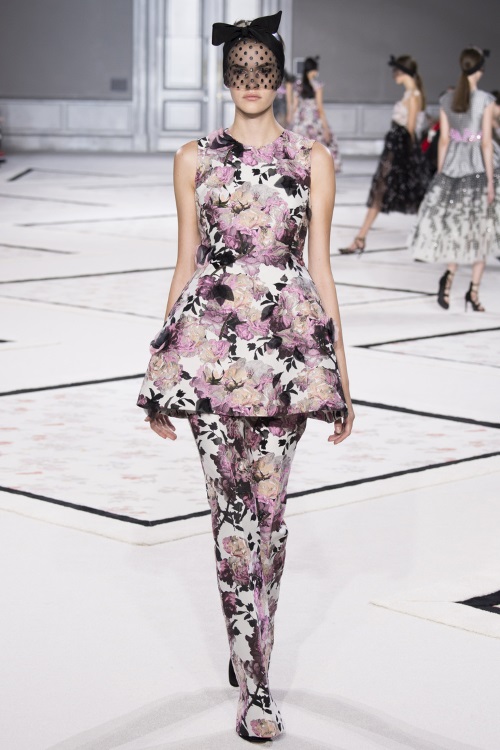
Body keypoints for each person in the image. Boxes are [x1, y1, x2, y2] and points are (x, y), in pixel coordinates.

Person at [136, 10, 354, 744]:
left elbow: (320, 268)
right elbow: (186, 263)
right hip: (207, 358)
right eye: (240, 71)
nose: (251, 83)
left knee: (269, 521)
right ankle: (256, 685)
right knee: (232, 522)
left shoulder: (312, 159)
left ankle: (249, 638)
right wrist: (160, 370)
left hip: (287, 358)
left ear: (280, 78)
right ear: (226, 78)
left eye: (263, 71)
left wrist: (341, 377)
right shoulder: (193, 158)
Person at [410, 48, 499, 311]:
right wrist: (491, 182)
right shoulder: (485, 100)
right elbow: (486, 144)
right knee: (481, 231)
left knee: (458, 229)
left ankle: (448, 280)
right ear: (480, 70)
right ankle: (473, 292)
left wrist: (441, 172)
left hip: (452, 169)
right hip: (478, 170)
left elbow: (444, 140)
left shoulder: (447, 99)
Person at [339, 55, 430, 254]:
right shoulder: (411, 94)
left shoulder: (414, 96)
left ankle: (428, 241)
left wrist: (408, 160)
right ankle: (360, 238)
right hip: (396, 150)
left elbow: (411, 129)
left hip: (401, 152)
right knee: (382, 192)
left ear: (403, 72)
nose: (394, 75)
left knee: (409, 195)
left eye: (396, 71)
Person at [291, 56, 342, 172]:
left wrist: (291, 124)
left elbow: (294, 107)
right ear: (314, 70)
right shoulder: (317, 85)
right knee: (319, 149)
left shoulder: (298, 85)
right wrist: (326, 128)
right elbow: (320, 108)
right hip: (314, 122)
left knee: (301, 151)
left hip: (301, 123)